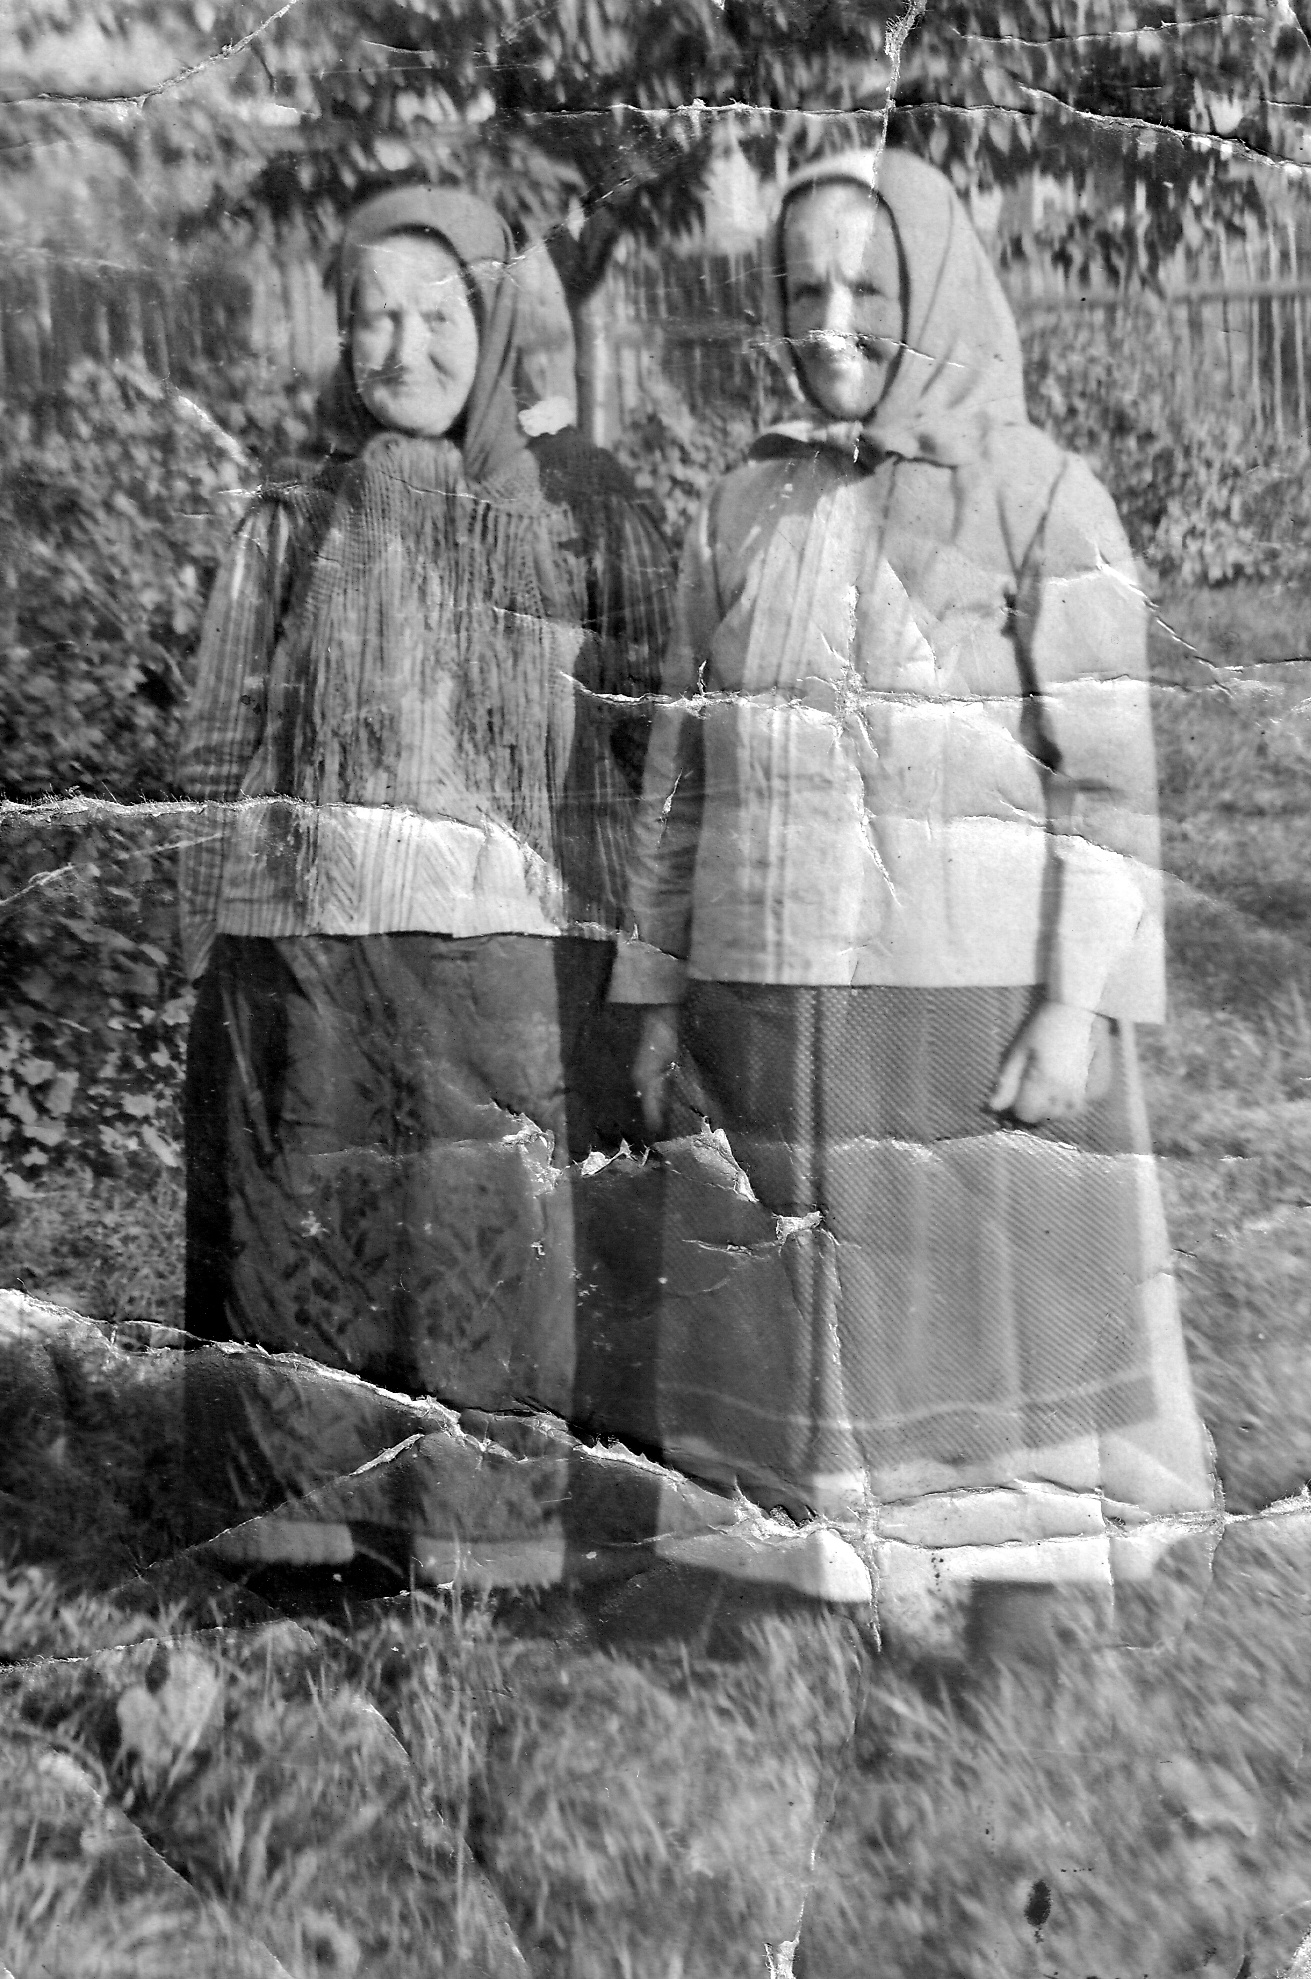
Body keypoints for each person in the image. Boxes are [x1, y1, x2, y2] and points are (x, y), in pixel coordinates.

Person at [609, 147, 1216, 1625]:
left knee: (992, 1305)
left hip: (970, 1003)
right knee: (812, 1304)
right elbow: (684, 769)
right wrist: (656, 989)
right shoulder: (742, 502)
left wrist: (1074, 1007)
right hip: (771, 994)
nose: (830, 324)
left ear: (936, 288)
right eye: (802, 288)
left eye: (869, 290)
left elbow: (1107, 783)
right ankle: (826, 1585)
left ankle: (1027, 1608)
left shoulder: (1038, 493)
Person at [178, 184, 672, 1577]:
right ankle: (306, 1531)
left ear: (496, 322)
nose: (404, 350)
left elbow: (644, 738)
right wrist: (192, 928)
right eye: (374, 319)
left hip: (496, 951)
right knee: (311, 1232)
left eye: (439, 316)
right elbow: (216, 728)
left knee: (478, 1240)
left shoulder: (569, 516)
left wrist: (639, 941)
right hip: (308, 941)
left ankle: (474, 1541)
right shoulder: (292, 514)